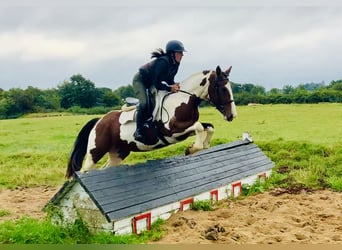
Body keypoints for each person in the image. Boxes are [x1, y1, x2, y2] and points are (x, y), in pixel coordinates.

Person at [132, 40, 186, 144]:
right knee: (144, 103)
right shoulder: (163, 62)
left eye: (182, 53)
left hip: (152, 81)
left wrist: (174, 86)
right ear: (172, 53)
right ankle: (138, 131)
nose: (182, 55)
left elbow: (169, 80)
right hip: (141, 80)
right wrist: (170, 88)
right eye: (180, 53)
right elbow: (156, 82)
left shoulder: (175, 64)